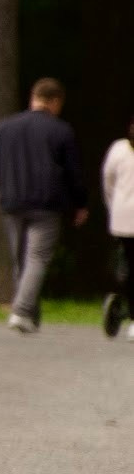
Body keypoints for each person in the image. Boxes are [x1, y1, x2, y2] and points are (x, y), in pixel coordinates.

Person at [0, 78, 88, 334]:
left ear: (33, 98)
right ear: (55, 101)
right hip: (46, 204)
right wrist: (81, 202)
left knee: (21, 260)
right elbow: (73, 172)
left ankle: (30, 315)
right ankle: (22, 311)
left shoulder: (4, 128)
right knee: (36, 258)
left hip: (12, 201)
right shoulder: (61, 131)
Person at [103, 114, 134, 338]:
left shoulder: (119, 150)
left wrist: (113, 204)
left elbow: (108, 181)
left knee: (128, 266)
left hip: (122, 217)